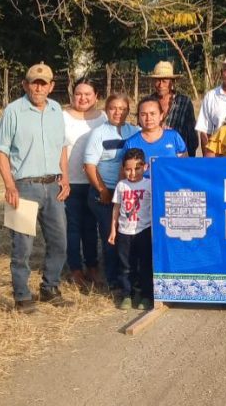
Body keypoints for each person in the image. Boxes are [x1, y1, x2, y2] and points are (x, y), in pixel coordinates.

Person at [0, 62, 71, 313]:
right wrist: (9, 185)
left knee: (60, 241)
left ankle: (50, 287)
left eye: (43, 84)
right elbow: (1, 151)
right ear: (25, 85)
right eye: (33, 83)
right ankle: (22, 296)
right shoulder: (13, 111)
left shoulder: (56, 110)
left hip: (54, 186)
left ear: (51, 86)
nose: (38, 88)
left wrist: (65, 177)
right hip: (24, 187)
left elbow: (62, 146)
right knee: (22, 246)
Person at [83, 93, 139, 295]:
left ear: (128, 111)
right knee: (111, 236)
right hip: (105, 192)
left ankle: (132, 278)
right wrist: (103, 190)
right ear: (106, 110)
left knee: (129, 236)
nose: (118, 112)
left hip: (129, 192)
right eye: (113, 108)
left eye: (122, 108)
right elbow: (89, 166)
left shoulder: (134, 131)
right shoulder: (98, 133)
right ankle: (113, 280)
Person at [62, 79, 107, 289]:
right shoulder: (62, 116)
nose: (83, 98)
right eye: (79, 94)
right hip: (69, 181)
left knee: (91, 227)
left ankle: (92, 266)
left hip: (94, 181)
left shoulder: (103, 117)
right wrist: (62, 178)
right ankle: (75, 269)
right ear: (72, 95)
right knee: (72, 227)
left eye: (88, 94)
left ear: (96, 96)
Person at [108, 148, 154, 311]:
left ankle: (146, 295)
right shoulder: (121, 185)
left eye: (137, 168)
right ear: (123, 169)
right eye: (128, 169)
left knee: (145, 264)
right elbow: (116, 208)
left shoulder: (149, 184)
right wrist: (113, 230)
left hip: (144, 231)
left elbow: (154, 208)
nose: (133, 173)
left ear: (145, 167)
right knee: (126, 266)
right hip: (124, 232)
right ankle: (127, 294)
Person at [147, 60, 198, 157]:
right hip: (153, 154)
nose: (160, 85)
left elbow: (192, 136)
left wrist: (189, 159)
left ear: (172, 82)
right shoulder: (148, 103)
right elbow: (141, 131)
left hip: (178, 155)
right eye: (158, 80)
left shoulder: (184, 102)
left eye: (164, 81)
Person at [122, 97, 187, 167]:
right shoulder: (131, 143)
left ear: (161, 116)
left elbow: (185, 166)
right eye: (143, 114)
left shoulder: (174, 137)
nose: (148, 118)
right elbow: (124, 171)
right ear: (138, 118)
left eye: (152, 114)